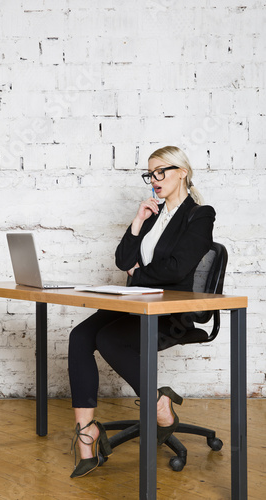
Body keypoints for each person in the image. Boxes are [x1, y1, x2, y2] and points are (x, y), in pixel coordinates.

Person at [68, 145, 216, 478]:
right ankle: (87, 434)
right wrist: (138, 221)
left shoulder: (200, 215)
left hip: (171, 312)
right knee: (80, 336)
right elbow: (122, 260)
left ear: (182, 172)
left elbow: (177, 270)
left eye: (161, 171)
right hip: (138, 301)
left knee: (109, 339)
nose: (154, 179)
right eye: (150, 174)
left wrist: (138, 274)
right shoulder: (154, 214)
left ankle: (161, 405)